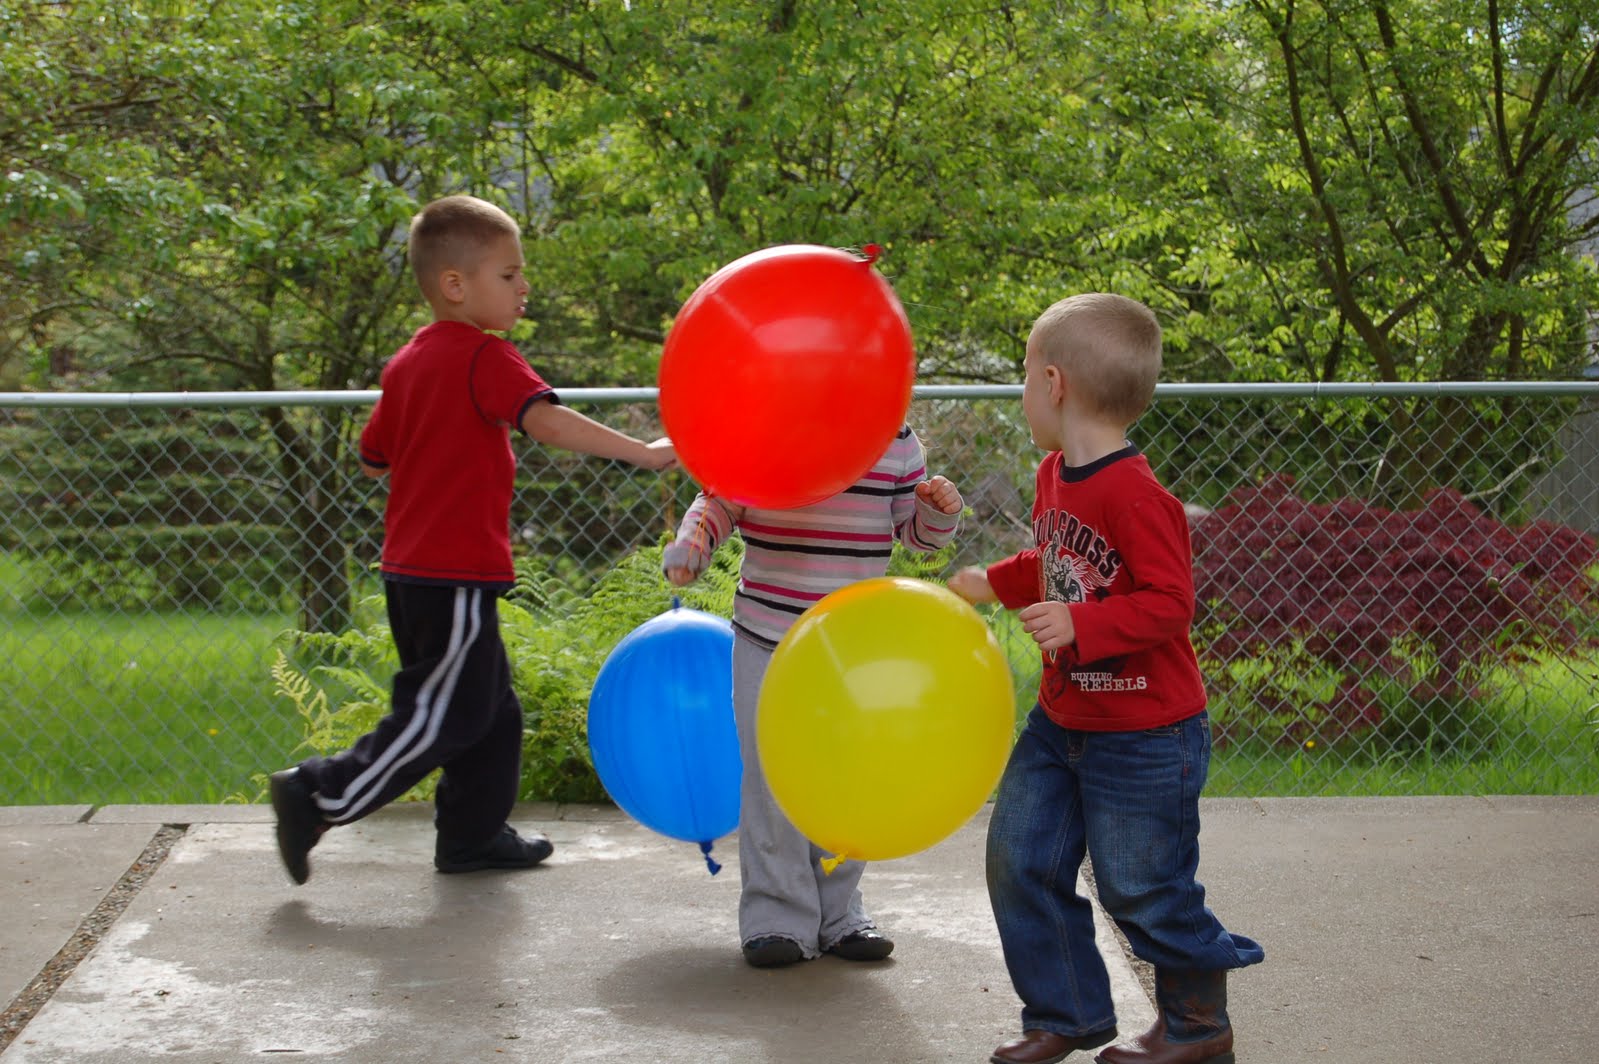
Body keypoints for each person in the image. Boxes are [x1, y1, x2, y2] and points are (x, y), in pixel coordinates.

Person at [268, 194, 676, 886]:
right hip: (450, 571)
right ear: (455, 286)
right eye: (510, 275)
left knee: (491, 711)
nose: (525, 289)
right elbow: (546, 423)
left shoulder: (407, 363)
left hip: (414, 570)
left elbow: (373, 457)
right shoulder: (484, 356)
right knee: (443, 715)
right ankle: (318, 793)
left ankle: (471, 837)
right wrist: (646, 452)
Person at [948, 293, 1262, 1064]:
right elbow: (1058, 562)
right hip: (1064, 723)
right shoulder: (1056, 474)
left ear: (1053, 384)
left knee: (1141, 887)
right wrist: (992, 580)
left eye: (1024, 378)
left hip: (1148, 735)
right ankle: (1068, 1014)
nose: (1023, 396)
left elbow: (1169, 602)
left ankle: (1198, 1026)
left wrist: (1083, 626)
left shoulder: (1136, 495)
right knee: (1021, 859)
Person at [663, 429, 963, 968]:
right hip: (766, 638)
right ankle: (776, 917)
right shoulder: (771, 424)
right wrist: (694, 545)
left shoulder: (893, 439)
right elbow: (719, 500)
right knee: (772, 780)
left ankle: (840, 912)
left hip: (849, 647)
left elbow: (918, 539)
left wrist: (936, 511)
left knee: (846, 782)